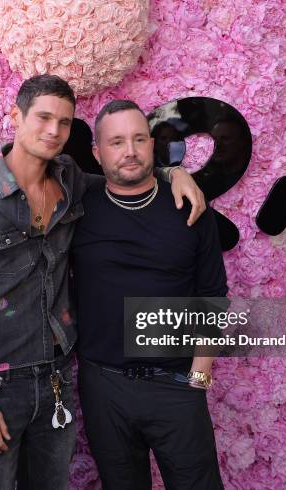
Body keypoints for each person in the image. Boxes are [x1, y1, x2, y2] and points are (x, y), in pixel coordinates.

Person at [0, 77, 206, 490]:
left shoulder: (70, 179)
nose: (54, 131)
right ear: (16, 116)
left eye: (64, 122)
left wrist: (172, 172)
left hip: (58, 379)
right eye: (42, 118)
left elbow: (124, 177)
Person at [73, 100, 227, 489]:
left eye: (139, 139)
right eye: (117, 141)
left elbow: (212, 295)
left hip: (176, 384)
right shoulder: (76, 207)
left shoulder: (189, 207)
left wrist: (199, 377)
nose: (130, 151)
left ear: (152, 144)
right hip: (103, 386)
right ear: (97, 152)